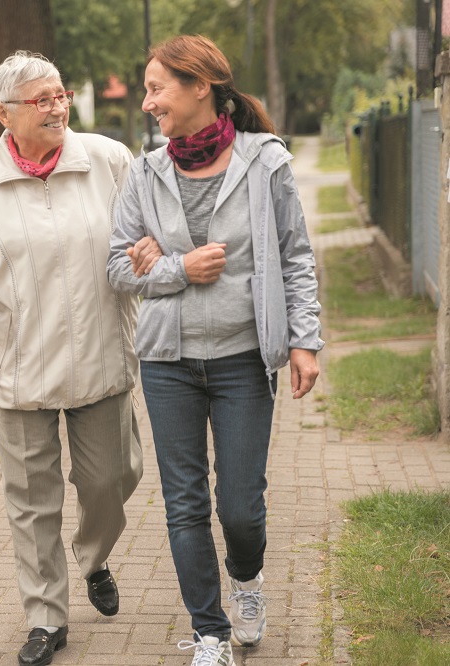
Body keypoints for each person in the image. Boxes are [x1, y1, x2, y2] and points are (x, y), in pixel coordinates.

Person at [106, 35, 323, 666]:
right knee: (184, 504)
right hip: (166, 362)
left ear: (201, 85)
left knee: (240, 509)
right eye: (146, 89)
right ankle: (209, 632)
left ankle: (247, 582)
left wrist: (305, 340)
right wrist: (176, 268)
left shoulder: (266, 162)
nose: (148, 102)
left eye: (156, 88)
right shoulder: (145, 173)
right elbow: (119, 268)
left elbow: (295, 256)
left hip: (242, 360)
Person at [0, 51, 143, 666]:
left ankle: (95, 557)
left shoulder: (107, 161)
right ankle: (46, 617)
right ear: (4, 113)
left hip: (100, 359)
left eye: (60, 95)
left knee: (112, 479)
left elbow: (144, 236)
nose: (56, 107)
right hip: (16, 371)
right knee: (30, 501)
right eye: (41, 99)